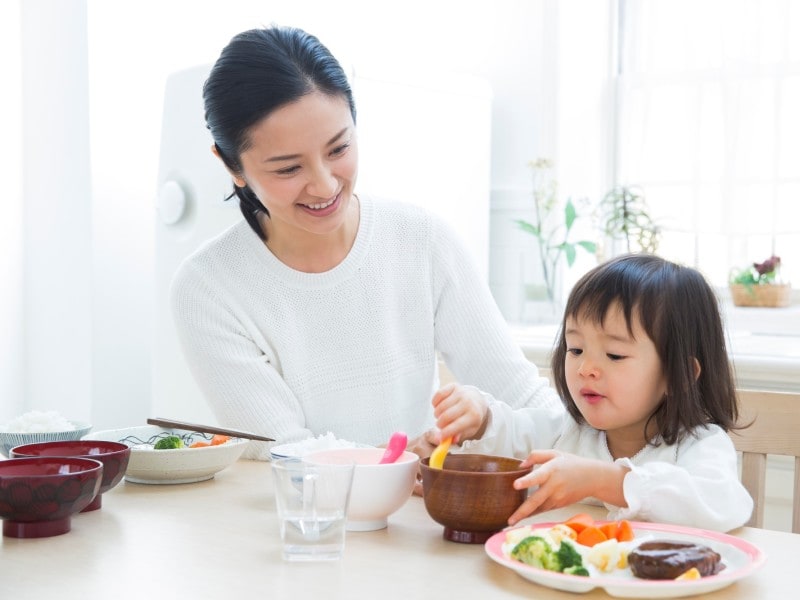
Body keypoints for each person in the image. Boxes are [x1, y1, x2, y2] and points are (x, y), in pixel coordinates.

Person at [169, 25, 559, 461]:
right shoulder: (207, 287)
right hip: (301, 524)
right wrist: (393, 463)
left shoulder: (422, 240)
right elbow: (283, 451)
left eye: (338, 149)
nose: (324, 185)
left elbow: (523, 396)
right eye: (287, 169)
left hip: (422, 517)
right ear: (232, 166)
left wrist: (617, 465)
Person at [431, 254, 753, 532]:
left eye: (614, 354)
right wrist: (480, 417)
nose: (586, 368)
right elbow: (511, 433)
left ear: (679, 375)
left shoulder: (700, 445)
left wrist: (603, 480)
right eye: (576, 349)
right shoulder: (563, 431)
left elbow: (723, 501)